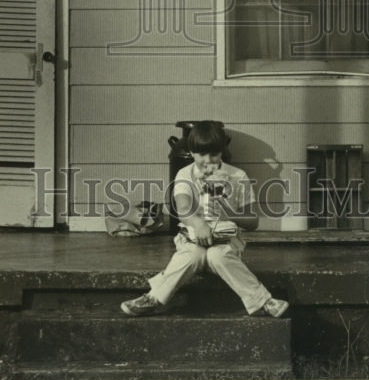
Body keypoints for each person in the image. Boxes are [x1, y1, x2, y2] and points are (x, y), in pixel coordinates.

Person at [121, 120, 289, 318]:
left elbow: (253, 221)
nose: (208, 160)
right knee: (192, 255)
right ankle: (153, 297)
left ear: (222, 153)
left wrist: (225, 208)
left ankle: (264, 301)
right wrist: (198, 223)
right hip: (193, 238)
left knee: (217, 256)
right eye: (201, 154)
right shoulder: (185, 174)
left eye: (214, 154)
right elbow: (183, 208)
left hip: (225, 241)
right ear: (191, 152)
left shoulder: (237, 176)